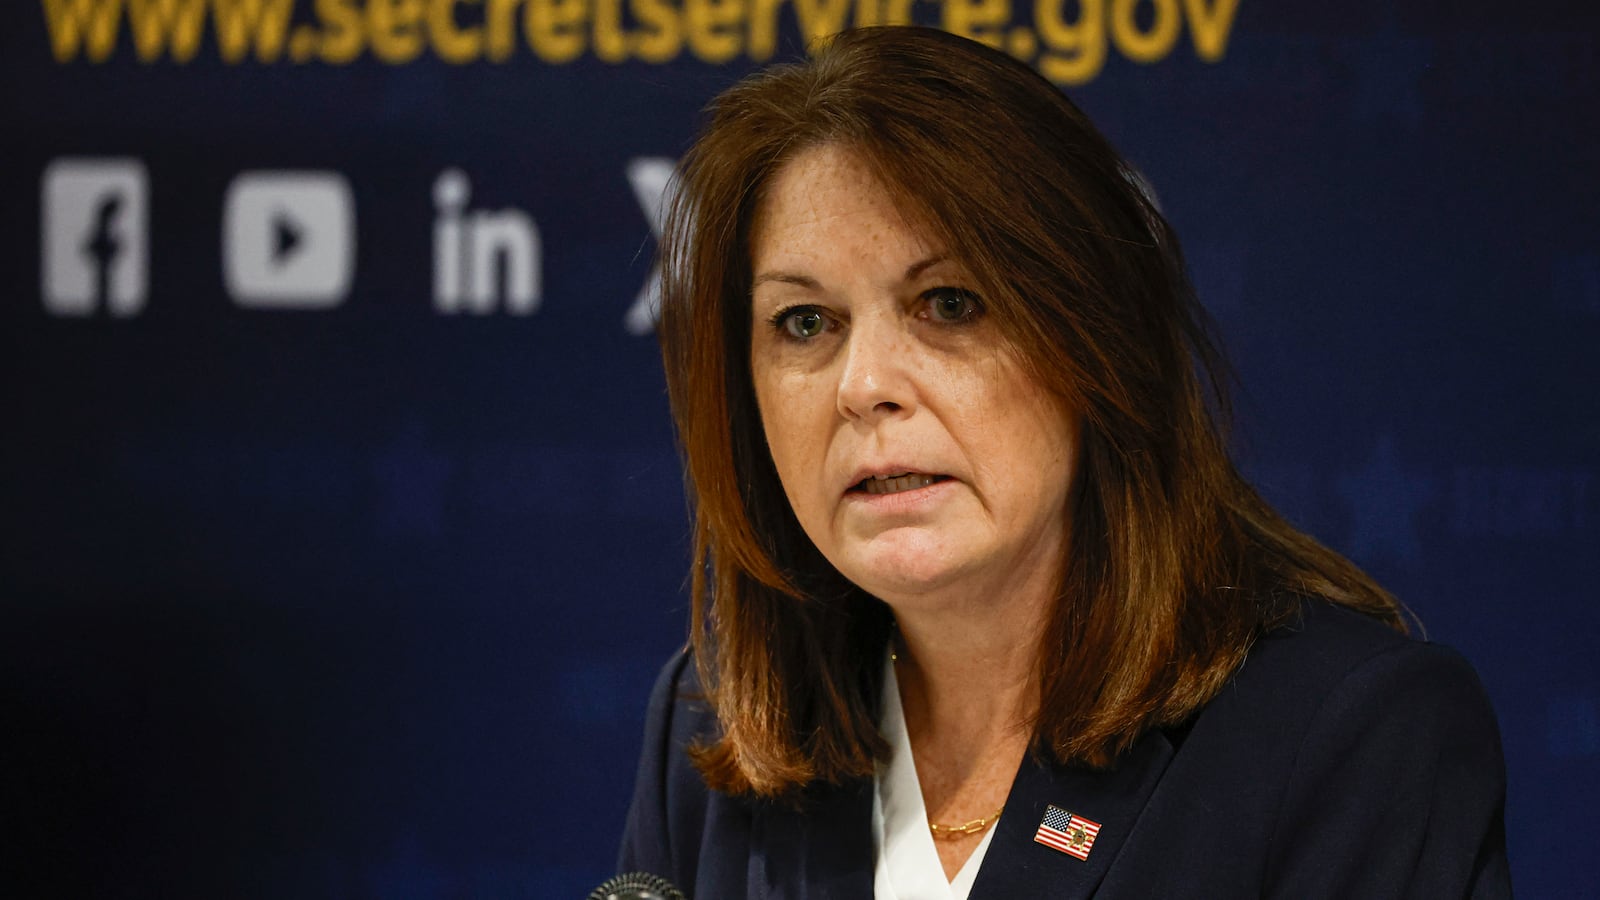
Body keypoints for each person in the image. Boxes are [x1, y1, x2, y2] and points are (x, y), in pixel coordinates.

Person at [617, 25, 1510, 899]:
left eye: (949, 303)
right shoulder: (721, 723)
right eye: (804, 322)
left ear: (1093, 342)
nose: (864, 385)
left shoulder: (1349, 735)